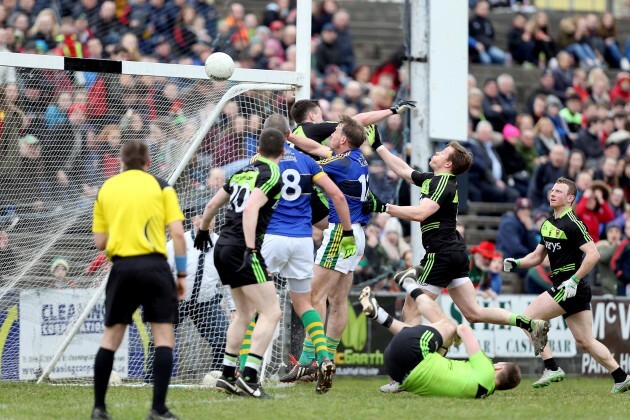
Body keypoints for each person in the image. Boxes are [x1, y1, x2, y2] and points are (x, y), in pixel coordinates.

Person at [362, 139, 549, 391]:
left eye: (442, 152)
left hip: (441, 254)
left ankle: (407, 372)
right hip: (454, 252)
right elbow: (404, 171)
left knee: (412, 307)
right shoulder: (434, 179)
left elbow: (421, 213)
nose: (436, 153)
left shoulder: (442, 183)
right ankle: (526, 322)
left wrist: (384, 207)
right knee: (473, 312)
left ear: (448, 163)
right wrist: (379, 146)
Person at [256, 114, 356, 393]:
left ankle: (244, 368)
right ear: (288, 134)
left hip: (272, 237)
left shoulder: (260, 163)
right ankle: (322, 358)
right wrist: (346, 232)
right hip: (302, 240)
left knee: (251, 304)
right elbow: (336, 196)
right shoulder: (308, 161)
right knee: (306, 303)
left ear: (265, 137)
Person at [504, 177, 630, 393]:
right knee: (585, 341)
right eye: (552, 190)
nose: (553, 194)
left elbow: (594, 255)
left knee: (527, 319)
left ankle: (551, 367)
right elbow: (536, 257)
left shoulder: (573, 224)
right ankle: (621, 376)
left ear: (571, 198)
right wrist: (517, 263)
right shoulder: (547, 224)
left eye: (559, 192)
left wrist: (574, 280)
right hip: (570, 288)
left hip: (570, 287)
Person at [91, 140, 186, 420]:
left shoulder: (106, 188)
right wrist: (180, 274)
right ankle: (158, 409)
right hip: (155, 268)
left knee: (110, 338)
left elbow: (99, 242)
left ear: (121, 162)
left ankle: (99, 408)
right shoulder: (161, 186)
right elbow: (178, 235)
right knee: (163, 338)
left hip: (122, 268)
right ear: (148, 163)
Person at [193, 127, 286, 399]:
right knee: (272, 312)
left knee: (244, 314)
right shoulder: (272, 173)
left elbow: (211, 205)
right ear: (282, 152)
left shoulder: (241, 171)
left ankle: (227, 373)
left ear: (257, 149)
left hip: (222, 245)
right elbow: (251, 209)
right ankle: (249, 377)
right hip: (241, 247)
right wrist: (250, 247)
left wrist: (203, 230)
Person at [286, 115, 371, 389]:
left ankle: (310, 362)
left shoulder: (338, 163)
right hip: (356, 235)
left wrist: (282, 152)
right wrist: (288, 135)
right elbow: (317, 148)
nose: (330, 135)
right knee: (337, 300)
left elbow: (311, 164)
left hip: (340, 234)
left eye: (334, 132)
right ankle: (327, 358)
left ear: (343, 139)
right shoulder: (356, 158)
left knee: (312, 297)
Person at [358, 284, 521, 398]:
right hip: (397, 370)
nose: (494, 363)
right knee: (442, 344)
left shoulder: (486, 369)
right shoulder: (483, 393)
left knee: (449, 326)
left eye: (497, 363)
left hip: (411, 354)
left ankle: (409, 284)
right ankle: (379, 315)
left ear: (499, 367)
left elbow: (464, 330)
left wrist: (457, 336)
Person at [167, 215, 234, 372]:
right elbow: (162, 270)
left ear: (215, 220)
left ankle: (218, 375)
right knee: (161, 338)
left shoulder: (221, 244)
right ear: (193, 220)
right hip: (176, 300)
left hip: (206, 301)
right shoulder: (176, 243)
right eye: (199, 217)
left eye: (209, 217)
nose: (203, 221)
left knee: (224, 337)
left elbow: (229, 280)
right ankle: (151, 378)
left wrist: (233, 307)